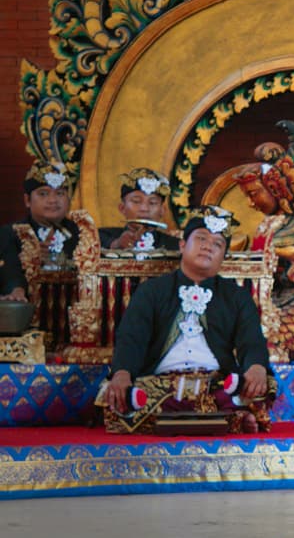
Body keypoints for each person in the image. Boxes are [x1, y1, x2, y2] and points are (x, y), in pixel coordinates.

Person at [97, 205, 276, 434]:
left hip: (216, 383)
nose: (208, 247)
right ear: (182, 245)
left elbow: (251, 340)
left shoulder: (236, 296)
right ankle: (230, 417)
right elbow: (131, 338)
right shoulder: (152, 291)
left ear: (224, 256)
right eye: (201, 238)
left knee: (263, 384)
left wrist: (257, 368)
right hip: (160, 384)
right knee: (112, 394)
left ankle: (207, 414)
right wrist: (122, 374)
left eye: (217, 244)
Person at [0, 161, 79, 302]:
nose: (53, 200)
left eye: (60, 193)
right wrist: (17, 289)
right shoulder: (11, 233)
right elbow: (10, 268)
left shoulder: (81, 233)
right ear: (27, 200)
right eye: (43, 194)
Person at [98, 167, 180, 255]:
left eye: (152, 203)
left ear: (162, 210)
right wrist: (115, 244)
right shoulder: (99, 237)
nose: (144, 209)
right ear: (122, 208)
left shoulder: (176, 245)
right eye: (136, 201)